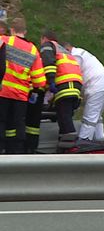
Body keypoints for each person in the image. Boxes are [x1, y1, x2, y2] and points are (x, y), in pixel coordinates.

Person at [0, 18, 46, 154]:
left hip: (3, 91)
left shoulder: (5, 41)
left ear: (12, 30)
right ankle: (16, 152)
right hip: (21, 95)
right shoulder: (33, 49)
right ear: (25, 32)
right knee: (17, 124)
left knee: (1, 121)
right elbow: (39, 81)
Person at [62, 43, 104, 142]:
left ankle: (84, 141)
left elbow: (72, 74)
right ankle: (100, 138)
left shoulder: (75, 56)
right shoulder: (81, 52)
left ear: (67, 49)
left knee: (89, 118)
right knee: (96, 114)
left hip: (97, 85)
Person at [40, 30, 83, 138]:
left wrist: (50, 82)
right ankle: (65, 144)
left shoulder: (47, 46)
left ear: (44, 38)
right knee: (62, 115)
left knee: (65, 117)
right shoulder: (62, 50)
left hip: (65, 83)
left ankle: (72, 144)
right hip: (75, 84)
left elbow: (48, 64)